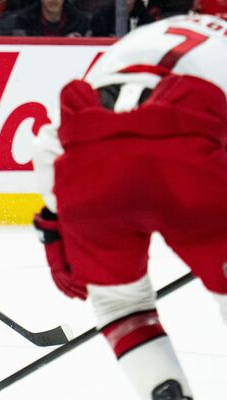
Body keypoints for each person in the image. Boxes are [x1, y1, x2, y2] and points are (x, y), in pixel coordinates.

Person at [32, 10, 227, 400]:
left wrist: (56, 219)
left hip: (93, 165)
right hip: (186, 158)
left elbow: (52, 142)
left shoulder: (147, 35)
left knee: (121, 305)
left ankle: (164, 388)